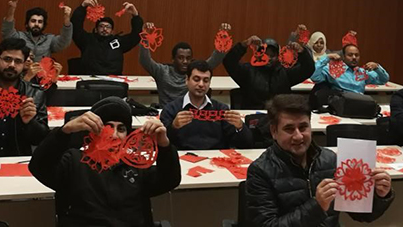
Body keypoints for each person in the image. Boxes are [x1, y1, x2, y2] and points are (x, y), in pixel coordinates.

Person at [30, 96, 181, 227]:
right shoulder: (74, 161)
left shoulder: (135, 164)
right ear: (93, 131)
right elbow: (39, 166)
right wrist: (64, 132)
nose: (114, 135)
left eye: (121, 129)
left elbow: (169, 180)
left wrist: (164, 145)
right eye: (107, 127)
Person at [246, 94, 394, 226]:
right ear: (274, 131)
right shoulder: (260, 171)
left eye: (303, 127)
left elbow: (361, 215)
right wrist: (317, 206)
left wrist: (381, 196)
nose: (298, 136)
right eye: (289, 129)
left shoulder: (330, 160)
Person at [160, 59, 252, 150]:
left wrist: (240, 127)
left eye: (206, 80)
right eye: (196, 79)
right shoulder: (171, 109)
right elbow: (162, 143)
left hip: (216, 156)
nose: (201, 84)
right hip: (182, 157)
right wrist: (173, 127)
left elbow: (245, 144)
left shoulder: (221, 109)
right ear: (187, 80)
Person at [139, 23, 227, 107]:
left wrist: (222, 36)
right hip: (167, 113)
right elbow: (145, 60)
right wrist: (145, 36)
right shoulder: (162, 72)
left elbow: (216, 59)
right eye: (180, 58)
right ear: (173, 59)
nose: (185, 61)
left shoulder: (195, 72)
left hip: (189, 113)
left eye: (188, 58)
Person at [223, 36, 314, 109]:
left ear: (277, 57)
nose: (269, 58)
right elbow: (229, 62)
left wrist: (302, 52)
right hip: (253, 117)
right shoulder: (248, 71)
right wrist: (243, 45)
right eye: (265, 54)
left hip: (279, 116)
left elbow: (308, 69)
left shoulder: (285, 73)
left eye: (272, 55)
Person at [70, 0, 142, 75]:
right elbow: (75, 27)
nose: (104, 29)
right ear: (96, 29)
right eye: (101, 26)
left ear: (112, 31)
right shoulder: (87, 40)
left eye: (108, 27)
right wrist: (82, 7)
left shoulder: (118, 42)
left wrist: (136, 15)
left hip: (114, 79)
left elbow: (136, 35)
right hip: (90, 78)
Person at [0, 0, 72, 61]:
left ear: (44, 25)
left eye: (40, 22)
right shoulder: (19, 37)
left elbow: (64, 41)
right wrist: (12, 8)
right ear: (27, 23)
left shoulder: (49, 40)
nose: (36, 24)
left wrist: (67, 19)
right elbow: (7, 31)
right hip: (22, 70)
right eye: (33, 21)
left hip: (42, 71)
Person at [310, 44, 389, 94]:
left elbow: (383, 80)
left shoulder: (362, 72)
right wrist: (327, 57)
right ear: (343, 57)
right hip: (341, 104)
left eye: (356, 55)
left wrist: (377, 67)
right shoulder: (333, 70)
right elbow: (314, 77)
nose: (354, 57)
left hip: (360, 104)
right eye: (350, 55)